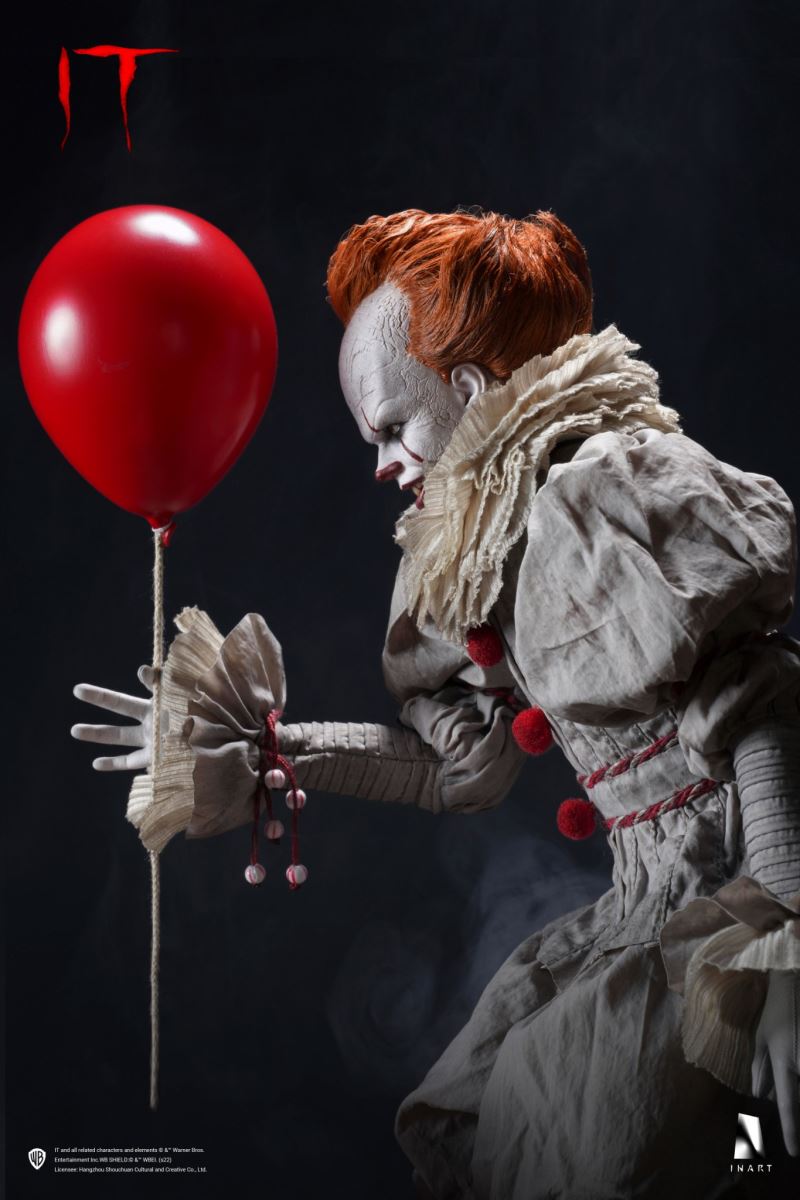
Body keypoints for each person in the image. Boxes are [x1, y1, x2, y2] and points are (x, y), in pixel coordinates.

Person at [72, 209, 800, 1199]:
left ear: (465, 389)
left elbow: (762, 704)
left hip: (751, 892)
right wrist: (273, 752)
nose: (380, 463)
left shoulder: (599, 493)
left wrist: (779, 938)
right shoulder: (484, 548)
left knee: (607, 1140)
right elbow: (458, 772)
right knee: (518, 1113)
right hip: (654, 908)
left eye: (390, 427)